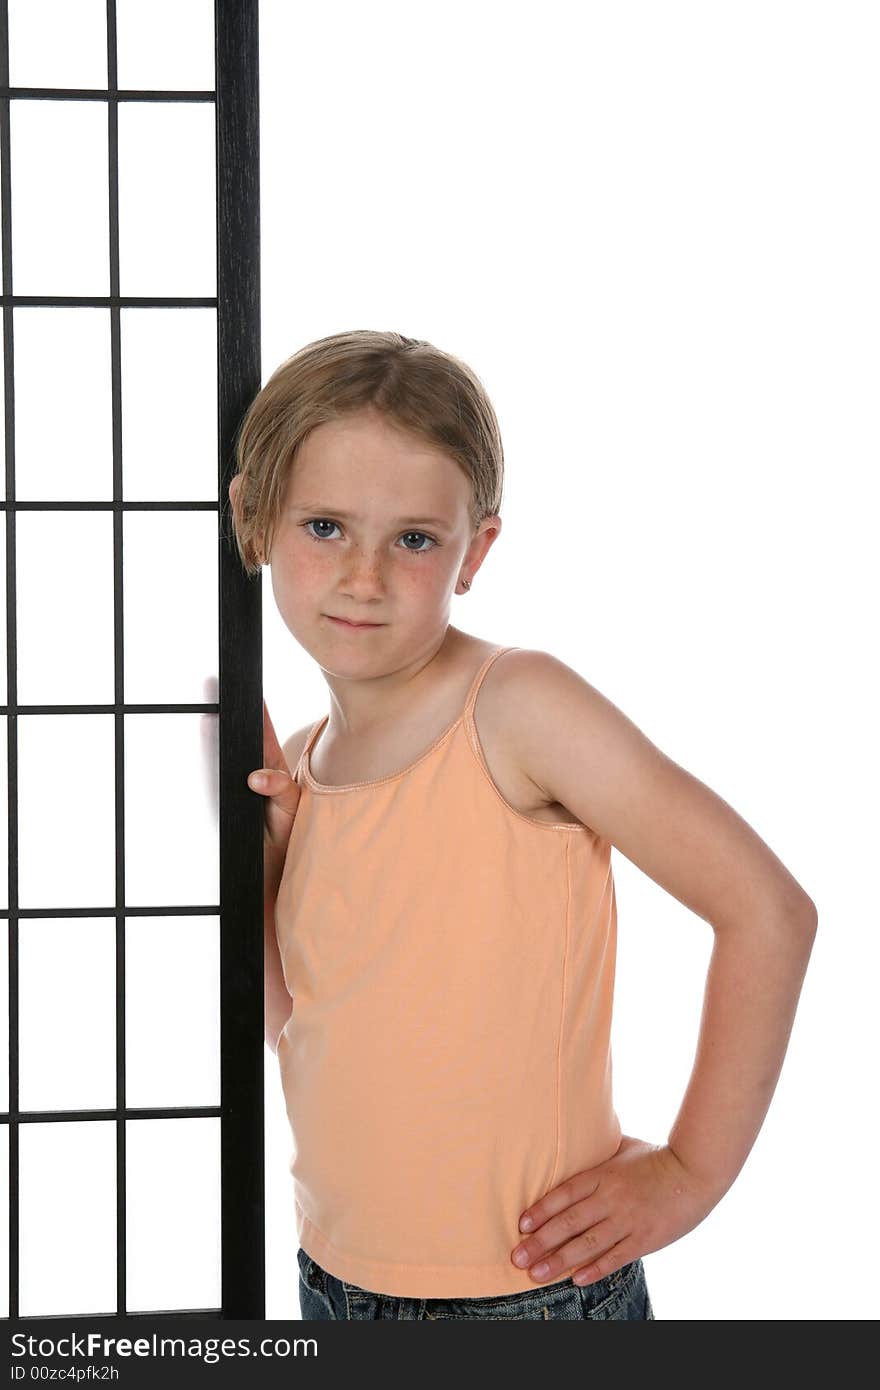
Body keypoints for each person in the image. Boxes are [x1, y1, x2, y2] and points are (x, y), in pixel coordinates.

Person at [226, 329, 817, 1321]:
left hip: (526, 1296)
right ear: (253, 521)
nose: (362, 574)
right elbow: (301, 1030)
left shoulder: (515, 706)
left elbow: (767, 910)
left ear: (475, 550)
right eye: (323, 525)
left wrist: (686, 1175)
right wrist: (274, 862)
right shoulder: (307, 758)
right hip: (335, 1280)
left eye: (413, 538)